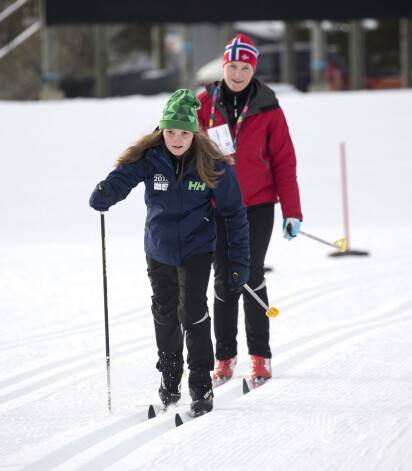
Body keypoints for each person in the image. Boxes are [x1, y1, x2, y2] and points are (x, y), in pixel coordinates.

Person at [89, 89, 250, 416]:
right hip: (159, 247)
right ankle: (171, 376)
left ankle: (201, 382)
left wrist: (239, 261)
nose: (176, 138)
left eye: (184, 132)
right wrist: (107, 191)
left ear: (195, 133)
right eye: (170, 131)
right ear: (162, 130)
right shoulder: (151, 158)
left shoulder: (212, 164)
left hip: (196, 247)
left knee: (192, 311)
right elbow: (124, 177)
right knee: (164, 312)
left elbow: (234, 213)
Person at [196, 34, 303, 385]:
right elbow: (178, 141)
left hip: (257, 205)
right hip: (216, 205)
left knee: (251, 276)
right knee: (225, 280)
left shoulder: (268, 106)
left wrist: (292, 211)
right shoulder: (204, 104)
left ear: (253, 69)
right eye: (232, 66)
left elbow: (284, 162)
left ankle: (261, 357)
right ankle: (224, 358)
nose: (238, 73)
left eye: (245, 67)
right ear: (223, 66)